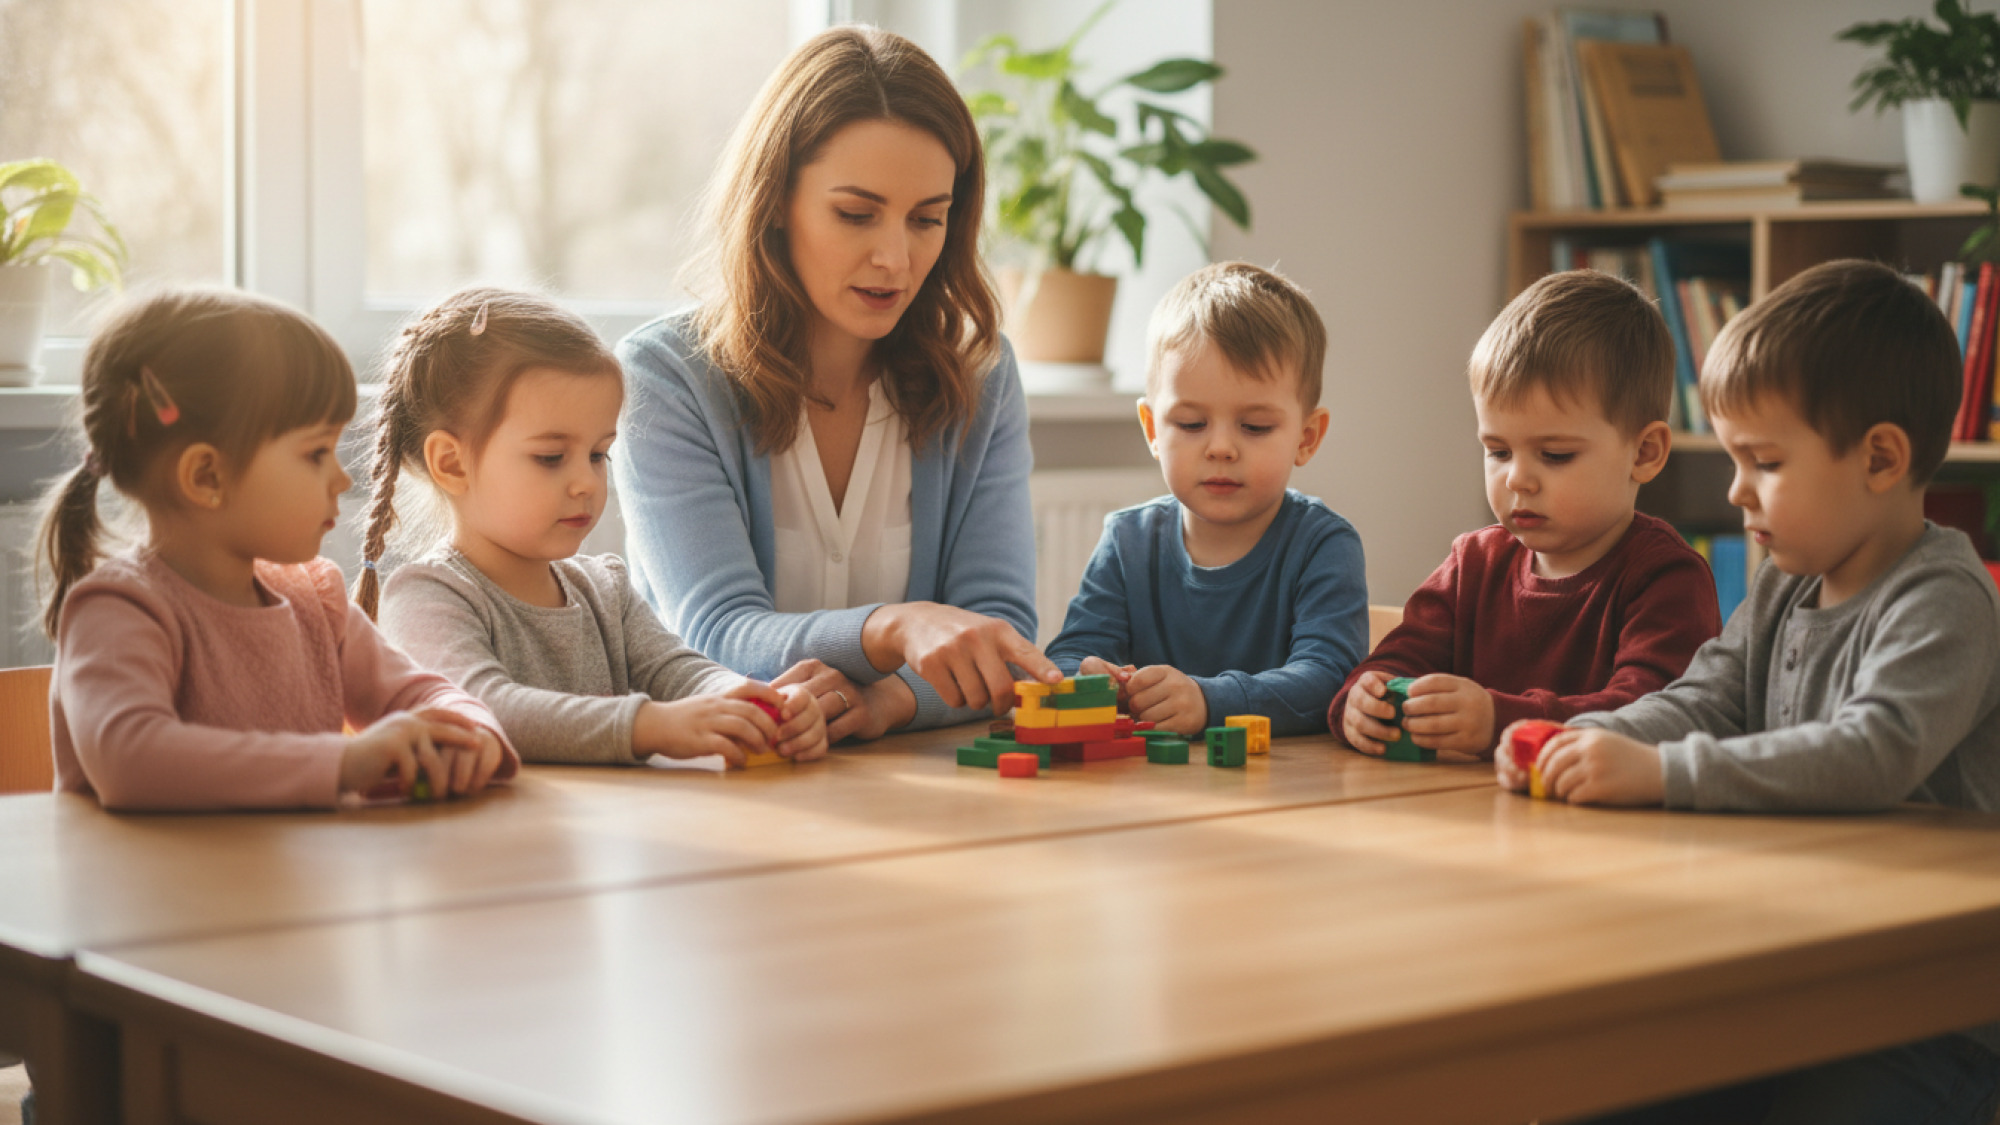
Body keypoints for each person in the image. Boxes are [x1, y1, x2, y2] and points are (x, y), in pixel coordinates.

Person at [1499, 260, 2000, 1122]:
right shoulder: (1788, 580)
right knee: (1608, 1090)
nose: (1735, 490)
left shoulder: (1943, 600)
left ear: (1881, 458)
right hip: (1794, 968)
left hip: (1925, 1009)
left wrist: (1664, 774)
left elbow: (1871, 752)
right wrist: (1591, 740)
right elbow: (1707, 696)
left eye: (1763, 462)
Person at [614, 25, 1059, 743]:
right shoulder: (665, 377)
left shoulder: (981, 371)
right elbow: (713, 632)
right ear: (774, 202)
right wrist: (891, 629)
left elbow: (997, 631)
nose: (895, 258)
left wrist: (890, 702)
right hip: (716, 773)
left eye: (927, 219)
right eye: (855, 214)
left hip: (904, 775)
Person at [36, 288, 514, 811]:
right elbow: (130, 761)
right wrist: (344, 762)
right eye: (316, 453)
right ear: (206, 476)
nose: (342, 479)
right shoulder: (118, 609)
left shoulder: (318, 600)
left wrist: (470, 736)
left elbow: (424, 694)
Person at [361, 288, 826, 768]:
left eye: (598, 454)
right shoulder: (427, 596)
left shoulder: (606, 589)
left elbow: (680, 673)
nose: (586, 481)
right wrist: (649, 726)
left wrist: (753, 703)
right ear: (451, 463)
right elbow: (482, 708)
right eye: (551, 457)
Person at [1335, 270, 1719, 759]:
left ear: (1644, 453)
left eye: (1555, 455)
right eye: (1498, 451)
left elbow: (1652, 716)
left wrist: (1499, 721)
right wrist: (1364, 699)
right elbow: (1398, 660)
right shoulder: (1473, 562)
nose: (1517, 479)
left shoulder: (1666, 578)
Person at [1043, 262, 1365, 736]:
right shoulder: (1128, 540)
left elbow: (1329, 678)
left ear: (1307, 437)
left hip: (1287, 776)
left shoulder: (1323, 544)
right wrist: (1086, 679)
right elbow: (1069, 655)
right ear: (1153, 430)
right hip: (1150, 777)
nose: (1220, 448)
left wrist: (1209, 700)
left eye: (1255, 426)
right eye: (1191, 424)